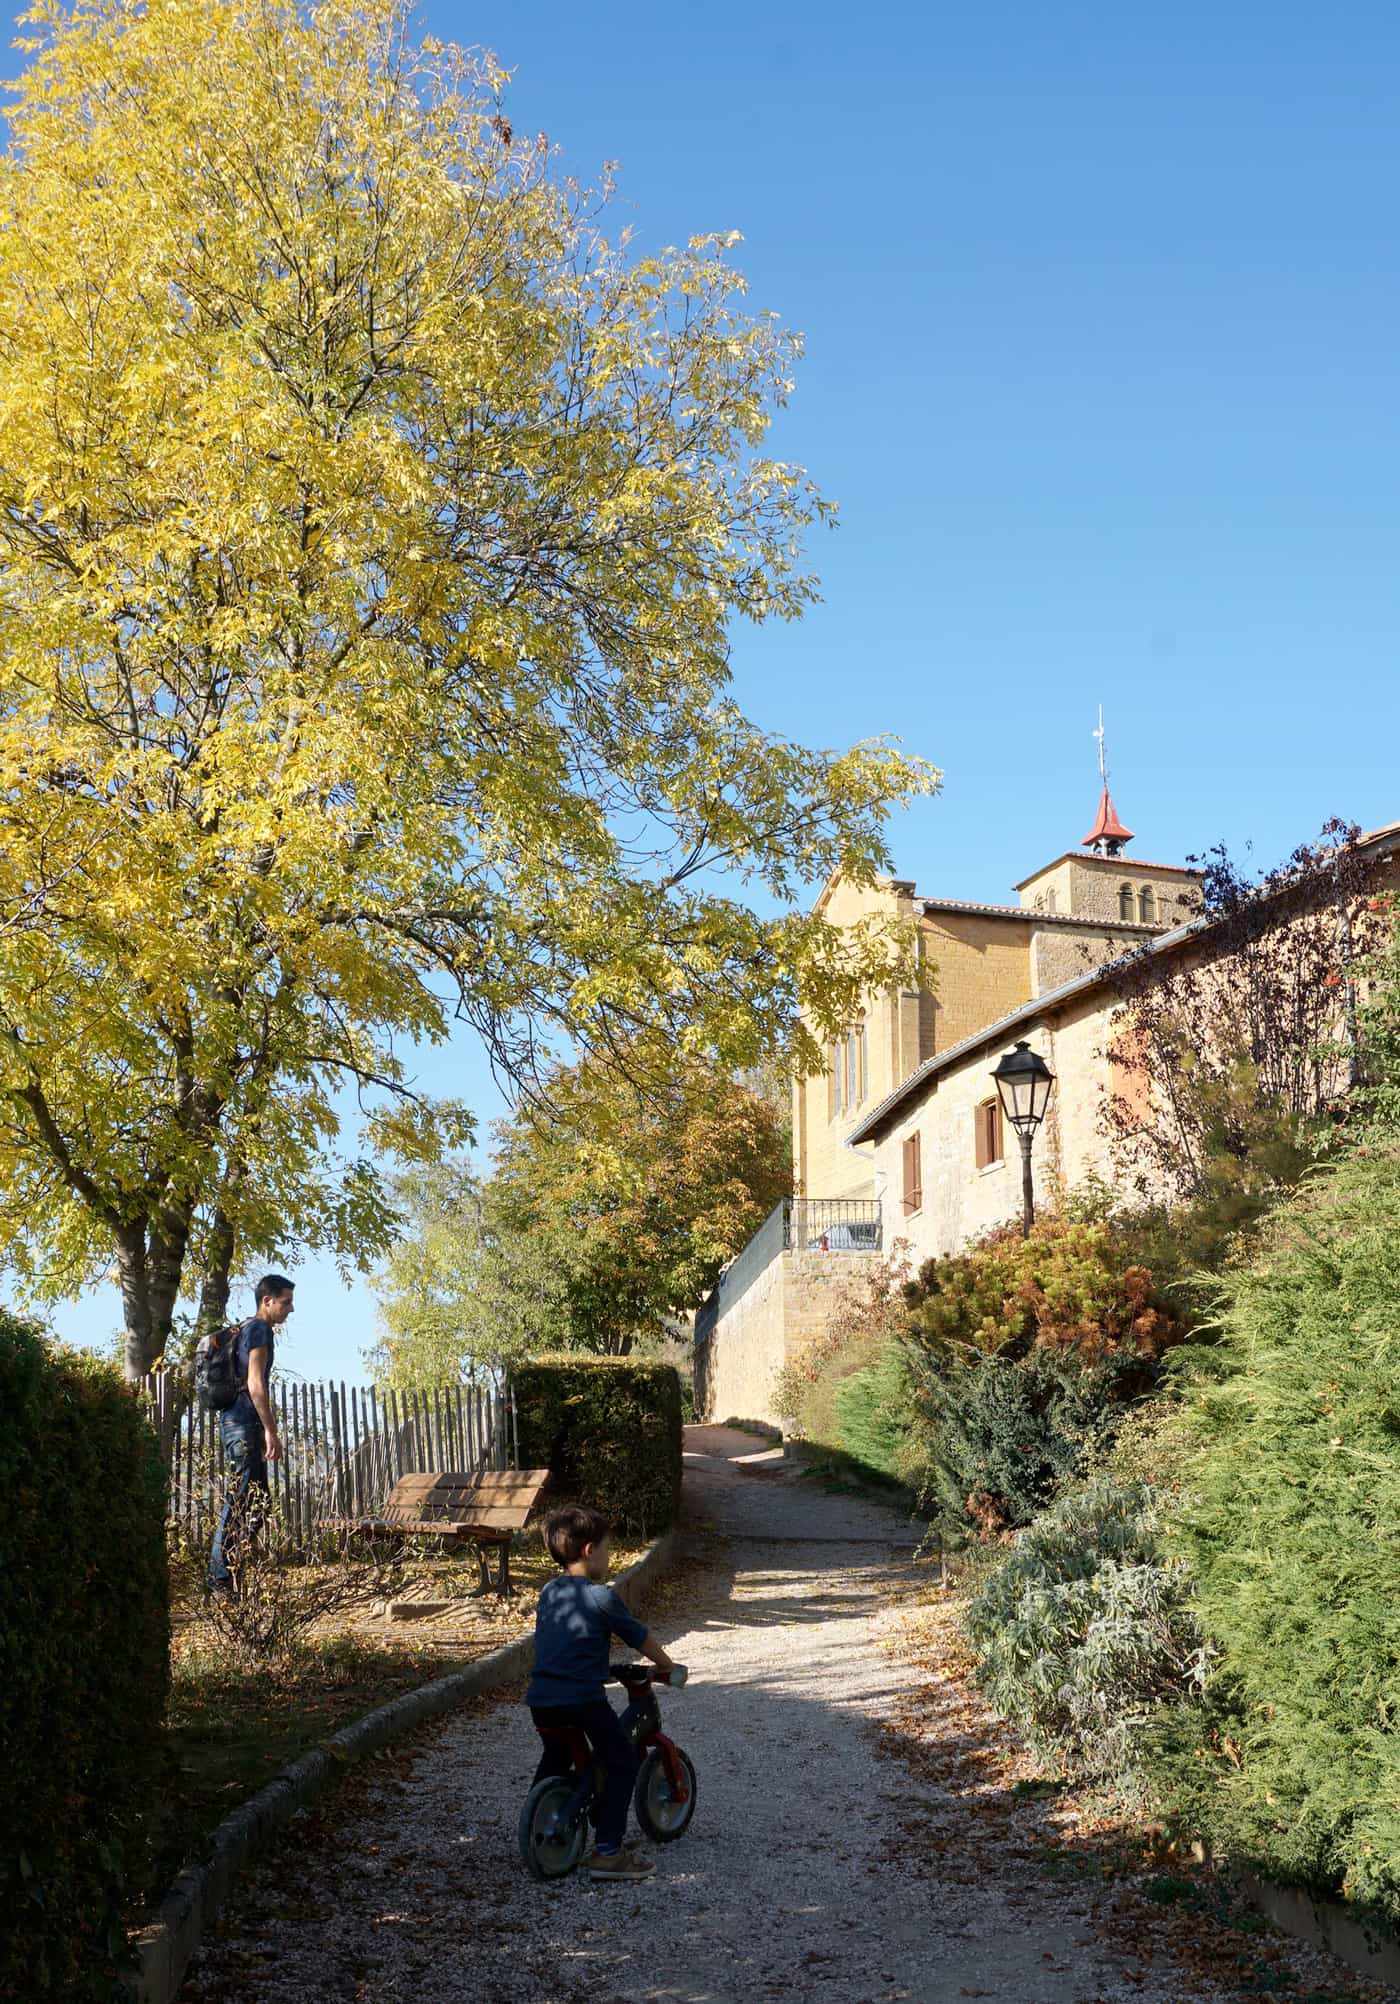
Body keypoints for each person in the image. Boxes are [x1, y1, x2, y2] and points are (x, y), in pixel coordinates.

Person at [526, 1504, 676, 1882]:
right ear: (590, 1551)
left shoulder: (548, 1593)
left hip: (542, 1699)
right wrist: (666, 1665)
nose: (610, 1558)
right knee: (622, 1760)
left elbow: (566, 1642)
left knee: (557, 1755)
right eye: (608, 1549)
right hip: (581, 1699)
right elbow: (637, 1635)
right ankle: (609, 1851)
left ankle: (537, 1828)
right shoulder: (601, 1596)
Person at [206, 1274, 294, 1594]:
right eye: (285, 1302)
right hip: (244, 1424)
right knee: (242, 1498)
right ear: (266, 1301)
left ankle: (231, 1569)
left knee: (258, 1500)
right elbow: (256, 1384)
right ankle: (220, 1577)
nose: (291, 1308)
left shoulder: (245, 1328)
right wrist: (271, 1431)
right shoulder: (259, 1329)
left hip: (236, 1423)